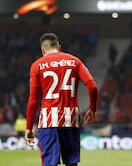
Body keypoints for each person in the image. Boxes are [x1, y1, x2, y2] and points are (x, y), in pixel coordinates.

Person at [25, 33, 98, 166]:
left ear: (43, 50)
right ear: (59, 47)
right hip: (71, 119)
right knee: (71, 162)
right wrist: (92, 109)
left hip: (48, 120)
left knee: (50, 163)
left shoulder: (37, 65)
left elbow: (33, 100)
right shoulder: (75, 61)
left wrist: (29, 127)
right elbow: (92, 86)